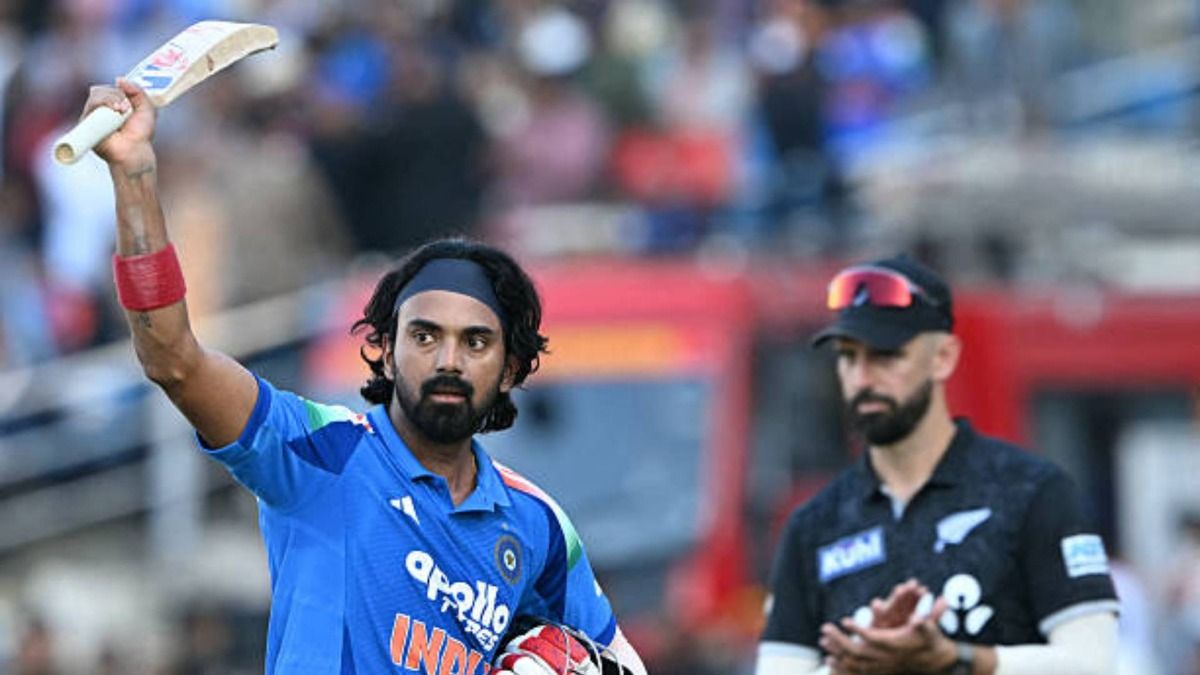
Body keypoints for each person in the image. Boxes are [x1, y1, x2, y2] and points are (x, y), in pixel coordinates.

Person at [83, 78, 647, 675]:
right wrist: (135, 173)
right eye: (424, 336)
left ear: (509, 369)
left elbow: (624, 665)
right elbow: (172, 357)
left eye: (475, 341)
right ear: (384, 349)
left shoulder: (539, 528)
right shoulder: (320, 451)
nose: (448, 360)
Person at [756, 255, 1120, 675]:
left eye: (886, 356)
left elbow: (1094, 664)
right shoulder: (814, 526)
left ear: (943, 358)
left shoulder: (1033, 492)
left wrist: (957, 659)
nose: (862, 377)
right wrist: (856, 666)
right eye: (848, 356)